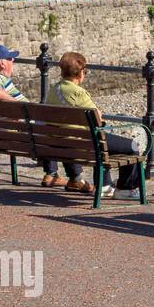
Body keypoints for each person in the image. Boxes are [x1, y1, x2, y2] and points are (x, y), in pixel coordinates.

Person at [50, 52, 143, 199]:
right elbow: (97, 118)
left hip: (62, 144)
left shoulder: (53, 90)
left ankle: (105, 185)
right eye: (85, 71)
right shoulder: (78, 93)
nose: (85, 74)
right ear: (80, 72)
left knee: (101, 141)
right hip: (85, 144)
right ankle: (125, 189)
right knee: (132, 146)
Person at [0, 44, 66, 186]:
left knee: (45, 128)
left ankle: (55, 173)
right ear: (2, 63)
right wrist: (22, 105)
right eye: (11, 58)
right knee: (54, 130)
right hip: (14, 136)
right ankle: (56, 174)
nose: (13, 61)